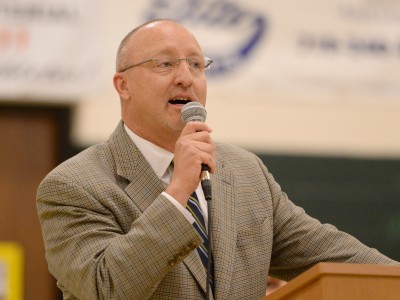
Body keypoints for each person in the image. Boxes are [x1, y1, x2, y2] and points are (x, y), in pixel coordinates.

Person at [36, 19, 399, 300]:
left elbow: (327, 252)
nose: (185, 78)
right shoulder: (73, 185)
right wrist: (177, 193)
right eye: (165, 64)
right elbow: (105, 289)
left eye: (196, 64)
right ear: (123, 85)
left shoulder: (245, 172)